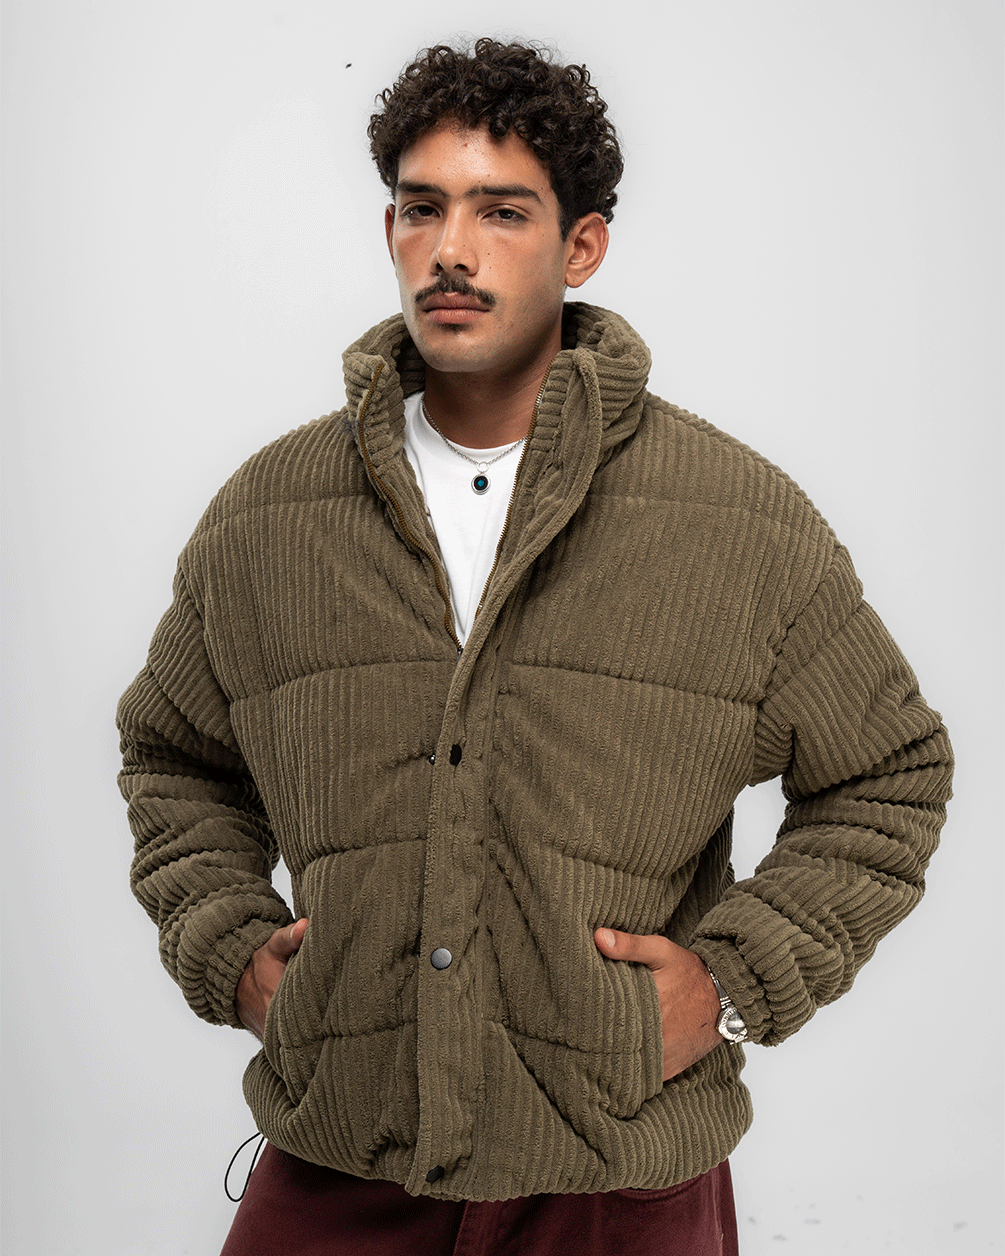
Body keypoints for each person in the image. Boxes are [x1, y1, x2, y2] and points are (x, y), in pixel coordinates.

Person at [117, 38, 953, 1256]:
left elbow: (890, 773)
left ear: (582, 246)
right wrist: (232, 949)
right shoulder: (268, 519)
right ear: (390, 227)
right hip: (342, 1160)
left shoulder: (741, 523)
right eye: (422, 208)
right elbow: (173, 756)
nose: (451, 249)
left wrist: (730, 982)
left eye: (501, 211)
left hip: (619, 1181)